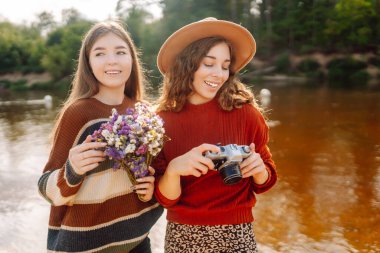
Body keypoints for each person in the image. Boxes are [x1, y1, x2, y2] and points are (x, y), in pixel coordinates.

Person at [152, 17, 277, 253]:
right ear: (187, 65)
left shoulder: (247, 114)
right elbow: (165, 199)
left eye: (224, 65)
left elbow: (266, 181)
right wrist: (174, 169)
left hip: (237, 234)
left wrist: (259, 170)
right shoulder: (161, 121)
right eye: (208, 63)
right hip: (182, 236)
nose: (218, 74)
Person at [37, 21, 163, 253]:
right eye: (100, 53)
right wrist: (71, 170)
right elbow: (46, 187)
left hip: (136, 242)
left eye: (120, 52)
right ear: (89, 64)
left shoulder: (144, 112)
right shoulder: (79, 113)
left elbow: (149, 174)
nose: (112, 60)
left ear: (132, 60)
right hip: (86, 246)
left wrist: (150, 187)